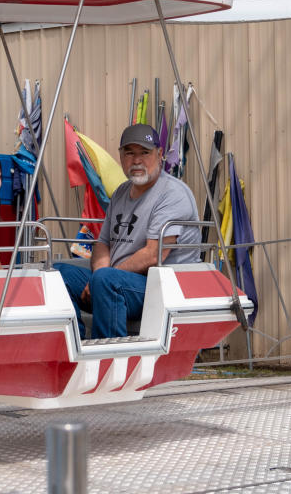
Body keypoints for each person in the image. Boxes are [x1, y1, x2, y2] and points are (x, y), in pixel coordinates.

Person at [55, 124, 201, 339]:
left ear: (160, 155)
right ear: (121, 156)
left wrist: (103, 277)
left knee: (107, 280)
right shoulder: (121, 192)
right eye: (129, 153)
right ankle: (74, 348)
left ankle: (111, 357)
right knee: (58, 274)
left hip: (163, 286)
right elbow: (103, 243)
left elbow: (154, 254)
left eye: (145, 153)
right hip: (120, 281)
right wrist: (97, 276)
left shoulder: (172, 193)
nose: (137, 160)